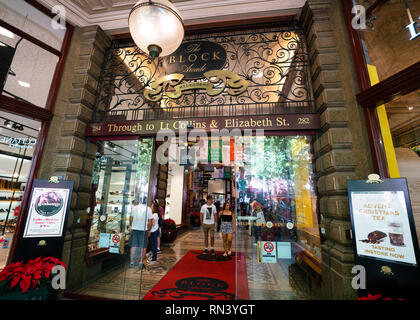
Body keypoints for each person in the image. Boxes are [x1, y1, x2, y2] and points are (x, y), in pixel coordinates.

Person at [128, 198, 153, 270]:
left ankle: (132, 262)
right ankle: (141, 262)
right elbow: (150, 221)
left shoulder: (134, 208)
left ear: (140, 201)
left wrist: (131, 226)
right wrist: (149, 230)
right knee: (143, 246)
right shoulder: (148, 209)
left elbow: (131, 218)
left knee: (133, 246)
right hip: (143, 230)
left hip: (135, 229)